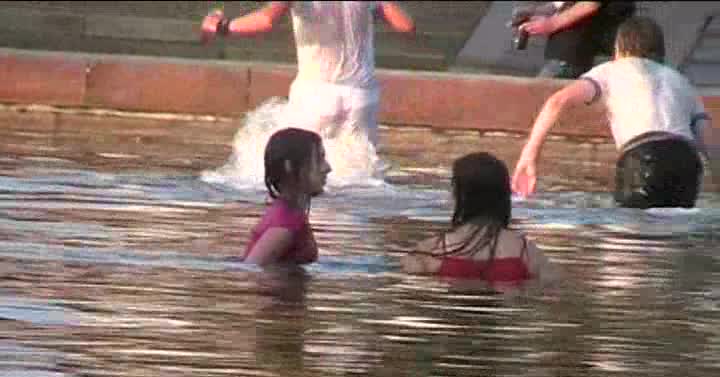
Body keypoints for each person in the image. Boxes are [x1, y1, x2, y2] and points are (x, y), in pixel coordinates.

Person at [512, 16, 715, 209]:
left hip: (643, 156)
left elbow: (557, 101)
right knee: (675, 227)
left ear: (619, 48)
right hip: (687, 162)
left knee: (633, 229)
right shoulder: (681, 82)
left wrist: (529, 156)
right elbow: (710, 143)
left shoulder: (609, 70)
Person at [201, 2, 415, 149]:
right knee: (358, 175)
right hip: (362, 96)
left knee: (295, 168)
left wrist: (221, 26)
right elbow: (405, 26)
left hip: (316, 94)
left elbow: (266, 20)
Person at [401, 152, 555, 284]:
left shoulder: (431, 251)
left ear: (460, 195)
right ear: (504, 195)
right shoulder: (526, 252)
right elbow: (552, 285)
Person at [243, 127, 330, 265]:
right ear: (289, 167)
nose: (327, 168)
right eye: (319, 160)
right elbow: (252, 268)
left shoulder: (289, 215)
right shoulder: (287, 223)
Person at [514, 1, 635, 79]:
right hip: (568, 51)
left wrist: (551, 24)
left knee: (543, 96)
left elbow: (590, 4)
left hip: (579, 48)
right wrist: (540, 12)